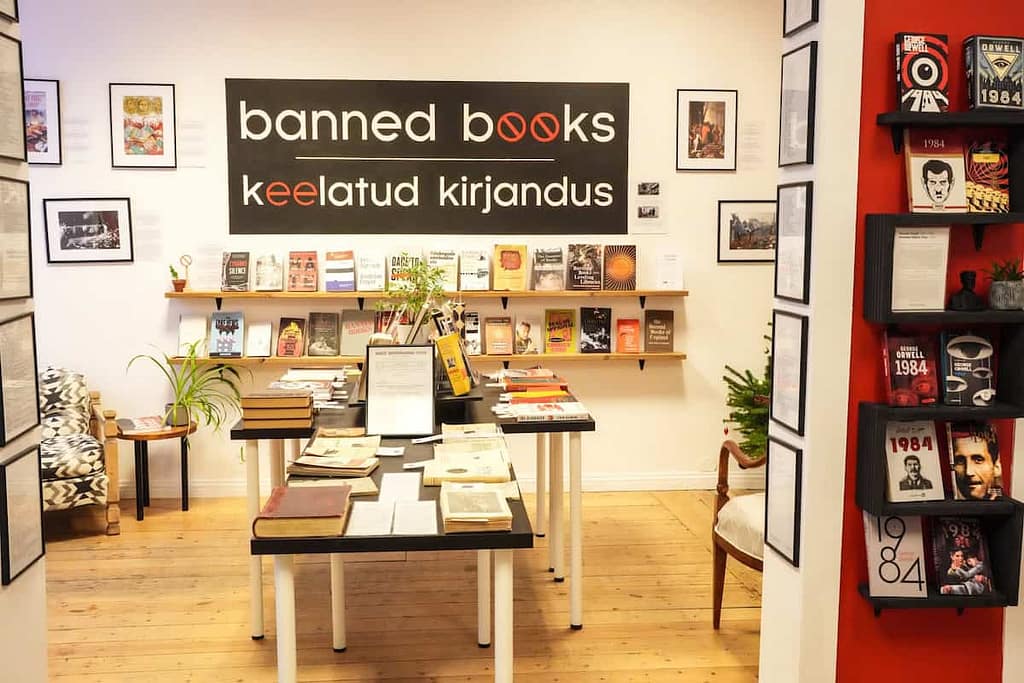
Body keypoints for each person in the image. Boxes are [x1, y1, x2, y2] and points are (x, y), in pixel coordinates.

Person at [950, 423, 1002, 500]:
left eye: (978, 460)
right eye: (960, 461)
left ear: (996, 466)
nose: (968, 472)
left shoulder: (1012, 506)